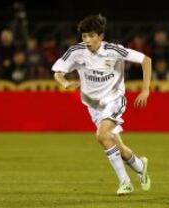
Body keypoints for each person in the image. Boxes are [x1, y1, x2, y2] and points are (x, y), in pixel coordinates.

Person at [52, 14, 152, 195]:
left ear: (101, 36)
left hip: (114, 100)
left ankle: (125, 182)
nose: (87, 40)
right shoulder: (76, 52)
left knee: (102, 135)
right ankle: (140, 165)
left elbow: (146, 60)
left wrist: (145, 90)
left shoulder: (114, 50)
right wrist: (65, 83)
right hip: (94, 107)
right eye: (84, 36)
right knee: (118, 148)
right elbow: (57, 72)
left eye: (91, 36)